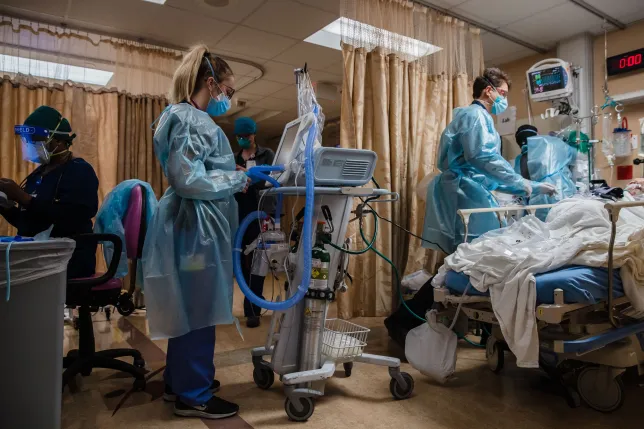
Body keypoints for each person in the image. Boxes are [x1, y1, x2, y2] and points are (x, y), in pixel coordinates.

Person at [142, 44, 250, 420]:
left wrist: (232, 173)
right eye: (228, 90)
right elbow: (188, 180)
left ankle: (180, 382)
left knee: (188, 306)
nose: (228, 99)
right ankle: (194, 394)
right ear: (211, 83)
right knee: (199, 309)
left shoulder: (183, 116)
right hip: (196, 232)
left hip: (190, 229)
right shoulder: (192, 119)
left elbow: (194, 170)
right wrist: (238, 179)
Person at [422, 68, 556, 254]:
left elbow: (488, 176)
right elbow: (483, 157)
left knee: (475, 250)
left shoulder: (479, 118)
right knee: (476, 249)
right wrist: (520, 182)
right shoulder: (475, 116)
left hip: (467, 188)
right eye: (503, 93)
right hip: (463, 191)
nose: (505, 100)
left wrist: (533, 186)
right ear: (488, 90)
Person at [1, 106, 98, 279]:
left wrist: (23, 197)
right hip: (39, 257)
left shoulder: (79, 171)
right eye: (27, 140)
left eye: (35, 140)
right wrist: (5, 207)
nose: (30, 145)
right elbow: (30, 224)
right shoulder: (38, 174)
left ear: (58, 141)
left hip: (68, 260)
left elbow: (72, 218)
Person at [233, 116, 275, 328]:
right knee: (241, 264)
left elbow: (271, 180)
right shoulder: (233, 159)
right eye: (239, 136)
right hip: (239, 216)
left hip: (260, 215)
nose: (243, 139)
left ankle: (253, 311)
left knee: (257, 265)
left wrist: (247, 174)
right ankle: (245, 305)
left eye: (246, 136)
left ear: (254, 134)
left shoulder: (266, 155)